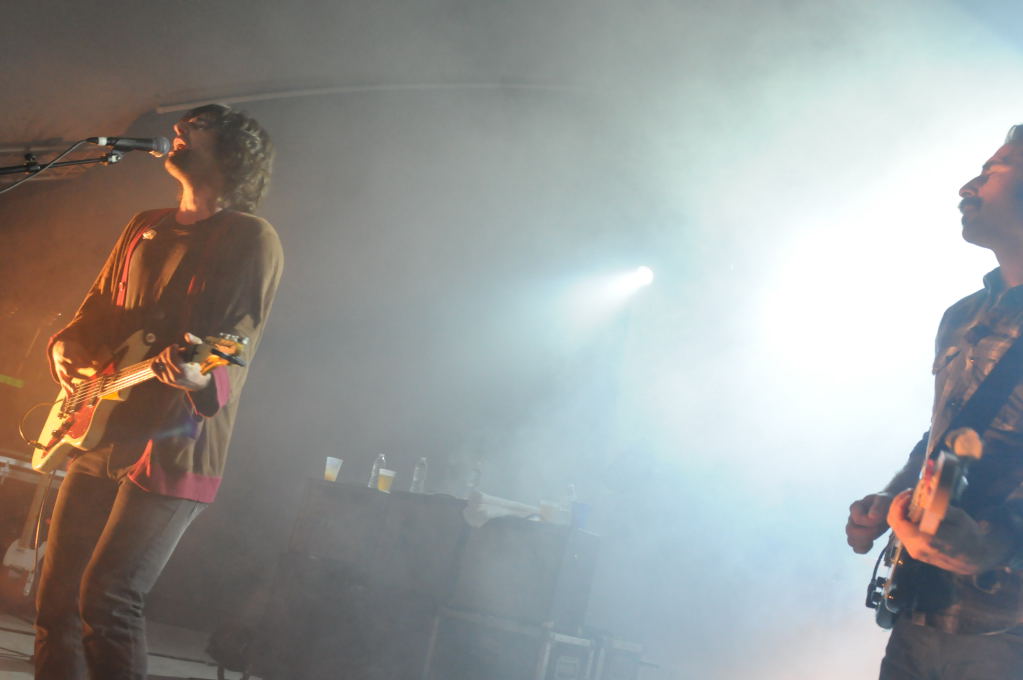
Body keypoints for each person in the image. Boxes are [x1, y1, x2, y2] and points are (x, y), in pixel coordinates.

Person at [33, 103, 283, 680]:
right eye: (182, 124)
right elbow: (98, 308)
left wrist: (201, 374)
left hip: (174, 440)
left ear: (232, 152)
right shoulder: (144, 224)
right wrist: (65, 346)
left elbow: (236, 337)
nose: (179, 130)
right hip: (103, 424)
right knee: (56, 598)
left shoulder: (251, 237)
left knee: (109, 598)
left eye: (198, 126)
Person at [846, 125, 1023, 679]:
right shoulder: (963, 316)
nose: (967, 187)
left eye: (992, 173)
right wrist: (892, 497)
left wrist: (993, 547)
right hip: (919, 612)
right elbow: (945, 436)